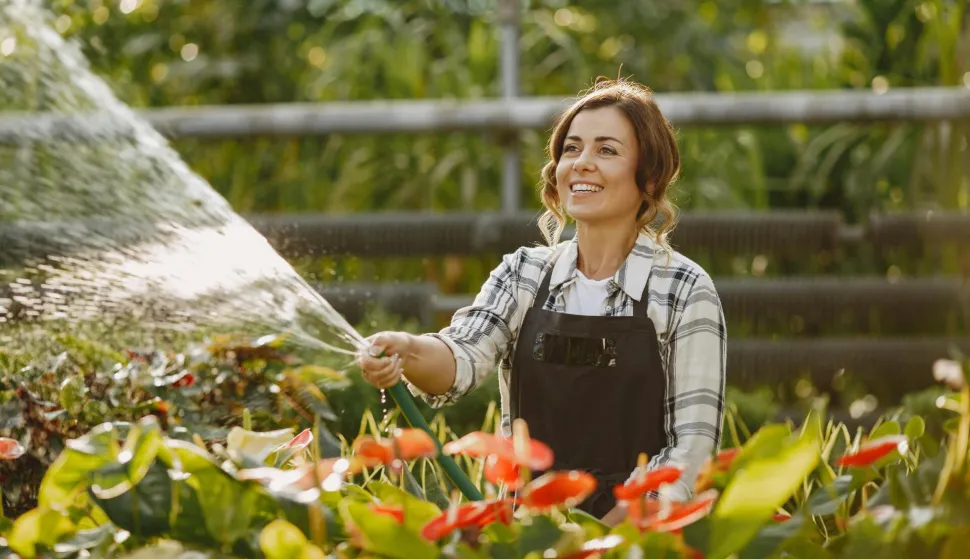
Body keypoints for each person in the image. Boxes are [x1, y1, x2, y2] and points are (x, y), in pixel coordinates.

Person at [356, 78, 726, 525]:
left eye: (606, 150)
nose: (582, 163)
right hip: (531, 532)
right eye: (572, 149)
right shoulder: (525, 273)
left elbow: (690, 452)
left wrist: (603, 540)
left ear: (648, 175)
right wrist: (407, 350)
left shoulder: (684, 288)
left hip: (638, 539)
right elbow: (461, 358)